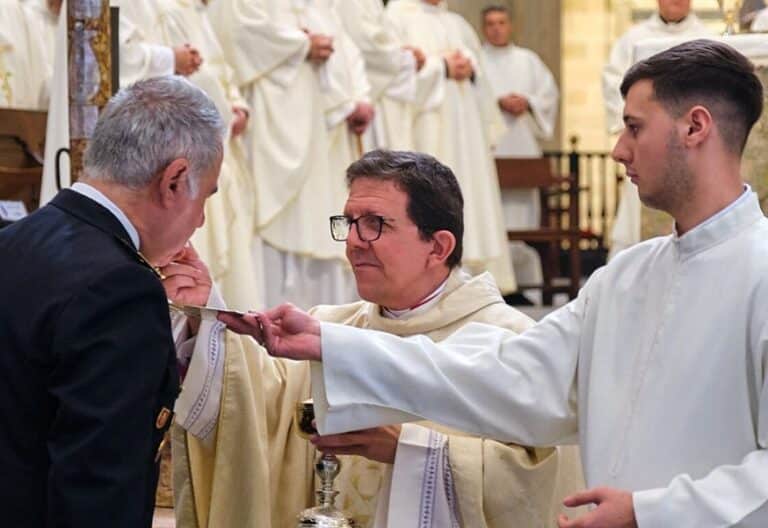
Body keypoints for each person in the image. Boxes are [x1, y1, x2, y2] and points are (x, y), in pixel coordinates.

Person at [224, 40, 768, 527]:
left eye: (634, 127)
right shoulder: (626, 276)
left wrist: (650, 513)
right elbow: (510, 376)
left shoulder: (759, 271)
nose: (618, 150)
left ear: (695, 127)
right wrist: (332, 341)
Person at [172, 150, 584, 528]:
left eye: (375, 225)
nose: (353, 241)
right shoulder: (331, 330)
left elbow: (540, 480)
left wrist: (408, 450)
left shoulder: (512, 344)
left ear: (438, 246)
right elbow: (255, 409)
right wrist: (205, 316)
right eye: (350, 223)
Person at [0, 76, 224, 527]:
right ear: (175, 181)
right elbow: (98, 488)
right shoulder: (123, 289)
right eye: (206, 197)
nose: (200, 219)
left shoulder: (12, 241)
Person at [208, 0, 362, 309]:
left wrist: (353, 96)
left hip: (313, 120)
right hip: (268, 118)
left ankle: (322, 318)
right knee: (270, 221)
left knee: (316, 213)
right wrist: (300, 43)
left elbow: (344, 47)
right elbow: (237, 33)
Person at [119, 0, 263, 311]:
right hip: (167, 152)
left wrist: (237, 104)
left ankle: (221, 336)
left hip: (210, 147)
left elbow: (219, 65)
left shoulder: (188, 7)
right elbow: (117, 57)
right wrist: (171, 58)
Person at [383, 0, 516, 294]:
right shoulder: (396, 17)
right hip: (426, 132)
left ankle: (473, 282)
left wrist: (471, 70)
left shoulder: (458, 25)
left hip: (466, 135)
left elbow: (483, 84)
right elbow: (391, 78)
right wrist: (440, 66)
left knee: (470, 194)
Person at [603, 0, 711, 257]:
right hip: (646, 144)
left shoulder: (707, 38)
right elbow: (613, 84)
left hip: (692, 144)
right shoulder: (634, 39)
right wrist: (637, 125)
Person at [481, 4, 560, 301]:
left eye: (501, 22)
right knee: (494, 218)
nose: (497, 28)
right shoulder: (476, 61)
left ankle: (527, 289)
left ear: (511, 25)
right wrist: (495, 103)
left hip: (523, 148)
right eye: (490, 24)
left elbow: (548, 95)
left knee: (523, 220)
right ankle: (495, 288)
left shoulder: (528, 61)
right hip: (490, 152)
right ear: (483, 28)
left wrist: (528, 102)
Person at [335, 0, 426, 151]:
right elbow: (361, 41)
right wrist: (403, 57)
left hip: (379, 90)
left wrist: (401, 53)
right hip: (362, 95)